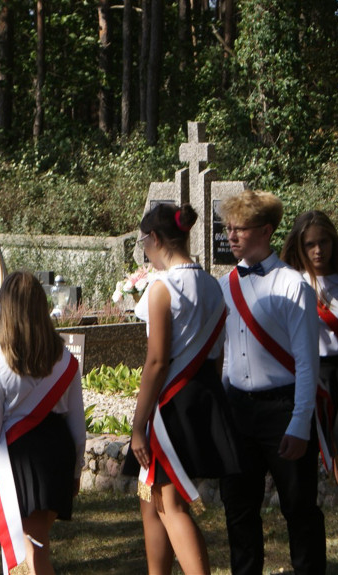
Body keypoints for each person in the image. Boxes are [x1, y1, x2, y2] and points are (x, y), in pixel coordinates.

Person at [126, 204, 241, 575]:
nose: (144, 250)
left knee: (170, 505)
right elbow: (217, 353)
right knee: (150, 496)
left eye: (143, 242)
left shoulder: (163, 287)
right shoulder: (213, 285)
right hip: (201, 395)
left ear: (155, 239)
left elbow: (157, 361)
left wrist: (138, 425)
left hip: (169, 407)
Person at [217, 190, 326, 575]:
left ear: (265, 231)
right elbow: (222, 353)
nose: (230, 236)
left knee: (299, 508)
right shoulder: (223, 284)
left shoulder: (292, 284)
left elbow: (307, 361)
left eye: (239, 229)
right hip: (236, 410)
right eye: (228, 228)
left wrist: (299, 422)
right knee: (239, 510)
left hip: (281, 408)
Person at [281, 210, 338, 574]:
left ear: (333, 243)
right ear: (299, 247)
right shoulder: (290, 283)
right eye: (310, 244)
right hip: (304, 375)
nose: (317, 250)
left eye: (323, 242)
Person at [0, 271, 84, 575]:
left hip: (20, 460)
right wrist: (75, 471)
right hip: (57, 454)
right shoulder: (66, 358)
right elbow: (77, 426)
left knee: (32, 553)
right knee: (32, 546)